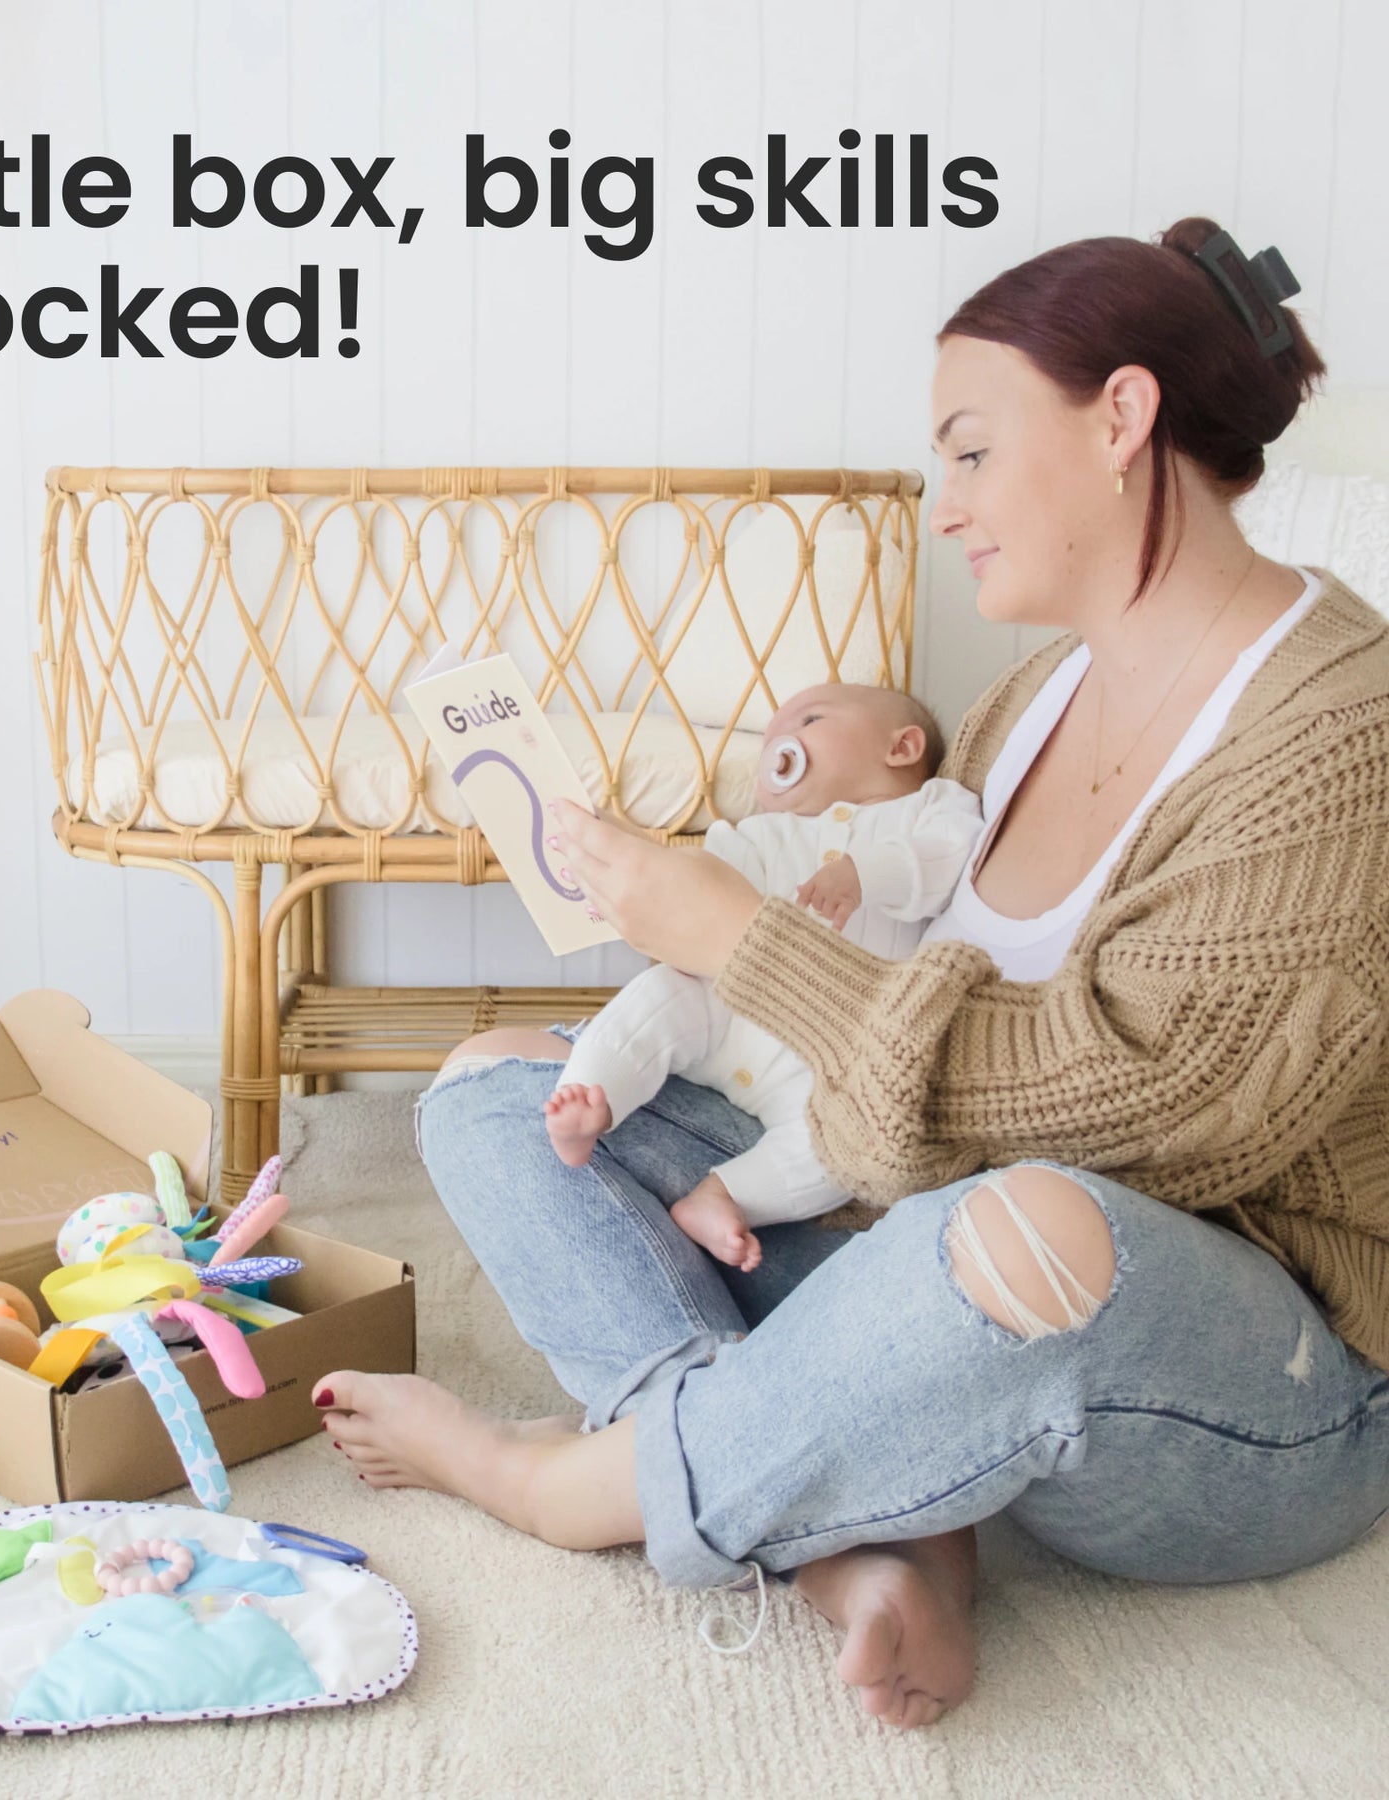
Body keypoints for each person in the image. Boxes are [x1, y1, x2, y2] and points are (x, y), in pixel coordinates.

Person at [312, 217, 1389, 1732]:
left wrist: (744, 943)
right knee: (505, 1086)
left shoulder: (1336, 729)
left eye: (967, 452)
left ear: (1124, 417)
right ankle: (870, 1516)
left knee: (1027, 1222)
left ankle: (564, 1481)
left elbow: (1152, 1116)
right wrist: (708, 935)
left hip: (1239, 1370)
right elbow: (905, 996)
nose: (943, 507)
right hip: (910, 1232)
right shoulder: (1032, 698)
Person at [543, 682, 982, 1270]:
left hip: (829, 1055)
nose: (780, 742)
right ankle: (593, 1096)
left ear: (901, 748)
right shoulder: (758, 833)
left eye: (810, 719)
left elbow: (951, 855)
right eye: (771, 739)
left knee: (842, 1149)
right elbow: (697, 888)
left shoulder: (929, 809)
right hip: (726, 1016)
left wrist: (866, 873)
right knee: (660, 997)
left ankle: (726, 1195)